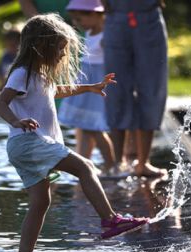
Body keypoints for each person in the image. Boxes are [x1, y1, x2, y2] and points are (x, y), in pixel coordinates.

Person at [0, 14, 148, 252]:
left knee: (40, 203)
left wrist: (91, 87)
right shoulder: (22, 73)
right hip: (29, 141)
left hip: (25, 147)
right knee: (85, 166)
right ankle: (110, 220)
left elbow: (58, 91)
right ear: (42, 46)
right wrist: (15, 121)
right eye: (60, 50)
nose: (63, 56)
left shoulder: (39, 75)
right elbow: (0, 102)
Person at [101, 0, 168, 177]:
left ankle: (143, 162)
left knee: (152, 89)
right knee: (115, 89)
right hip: (116, 18)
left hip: (149, 19)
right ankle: (118, 163)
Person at [58, 0, 117, 176]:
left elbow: (112, 61)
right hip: (87, 80)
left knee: (94, 127)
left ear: (96, 14)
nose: (77, 24)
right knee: (85, 126)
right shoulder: (90, 33)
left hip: (96, 83)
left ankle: (111, 165)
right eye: (75, 20)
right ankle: (84, 164)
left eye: (80, 19)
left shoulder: (107, 36)